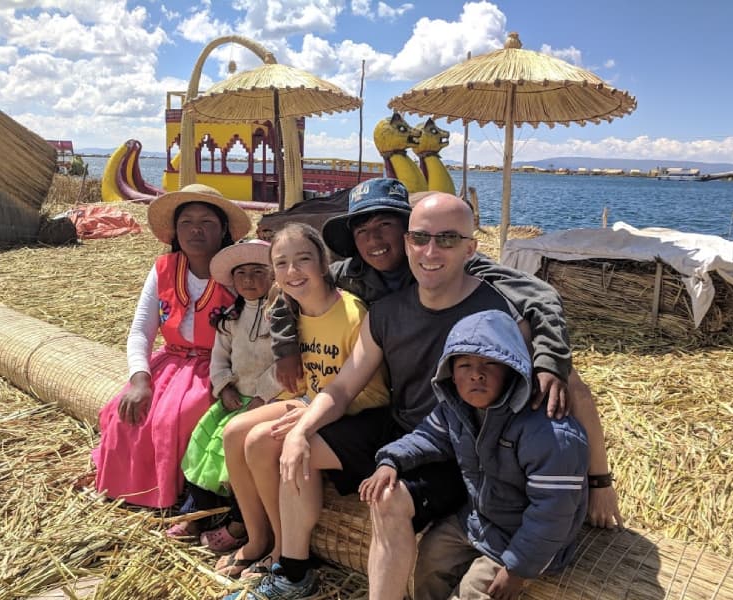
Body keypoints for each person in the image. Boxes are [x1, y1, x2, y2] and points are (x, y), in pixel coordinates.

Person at [278, 193, 617, 600]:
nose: (430, 251)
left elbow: (570, 388)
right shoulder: (386, 312)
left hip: (463, 449)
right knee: (290, 447)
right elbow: (344, 386)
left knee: (388, 500)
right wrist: (301, 431)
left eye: (448, 240)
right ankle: (289, 568)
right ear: (407, 243)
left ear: (471, 248)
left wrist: (599, 482)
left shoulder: (499, 313)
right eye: (420, 238)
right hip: (408, 429)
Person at [359, 310, 588, 600]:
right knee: (430, 561)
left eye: (490, 364)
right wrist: (391, 460)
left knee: (473, 592)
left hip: (523, 538)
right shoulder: (456, 410)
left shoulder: (548, 433)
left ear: (512, 369)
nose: (476, 374)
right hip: (478, 521)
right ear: (451, 375)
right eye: (464, 365)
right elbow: (427, 437)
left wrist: (518, 568)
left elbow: (553, 514)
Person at [216, 223, 389, 590]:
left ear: (324, 264)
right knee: (233, 431)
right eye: (281, 263)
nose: (292, 272)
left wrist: (306, 415)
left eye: (303, 260)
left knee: (261, 440)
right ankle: (257, 537)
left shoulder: (353, 313)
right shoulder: (289, 309)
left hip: (354, 411)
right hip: (313, 401)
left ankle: (284, 552)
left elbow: (359, 392)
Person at [91, 183, 251, 509]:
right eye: (186, 222)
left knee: (175, 418)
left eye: (207, 222)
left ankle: (178, 497)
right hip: (170, 363)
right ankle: (126, 487)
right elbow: (140, 330)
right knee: (126, 412)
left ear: (223, 230)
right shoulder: (164, 269)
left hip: (218, 368)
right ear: (175, 231)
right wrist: (140, 379)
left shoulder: (238, 274)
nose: (196, 229)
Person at [170, 240, 280, 552]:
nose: (248, 279)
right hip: (234, 401)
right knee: (203, 450)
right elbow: (220, 359)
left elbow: (285, 363)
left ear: (273, 276)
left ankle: (239, 523)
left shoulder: (284, 317)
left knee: (236, 466)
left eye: (258, 271)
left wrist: (262, 397)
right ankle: (195, 515)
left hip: (267, 404)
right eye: (241, 273)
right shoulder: (231, 319)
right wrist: (224, 387)